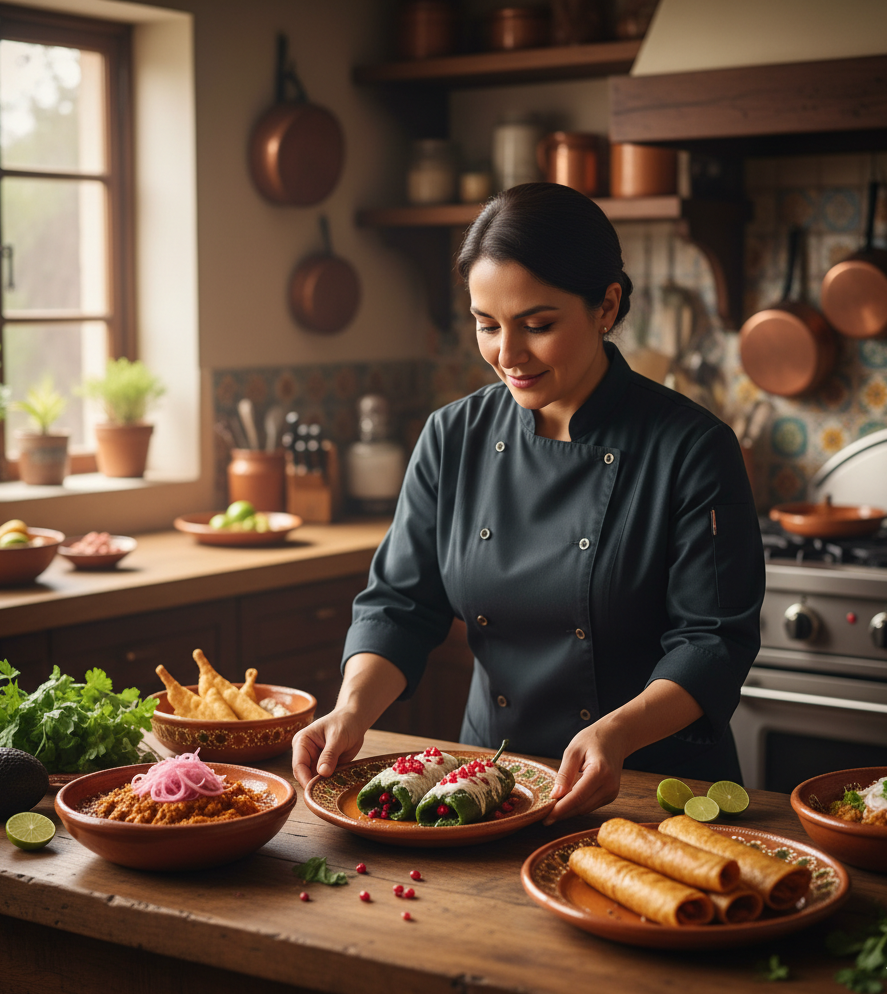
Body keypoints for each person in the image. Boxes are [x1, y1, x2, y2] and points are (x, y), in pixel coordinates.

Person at [292, 182, 765, 822]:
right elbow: (399, 606)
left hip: (653, 791)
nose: (508, 356)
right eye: (487, 326)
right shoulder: (451, 436)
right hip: (486, 790)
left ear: (607, 306)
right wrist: (351, 708)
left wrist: (617, 733)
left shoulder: (692, 447)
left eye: (537, 326)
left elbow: (712, 642)